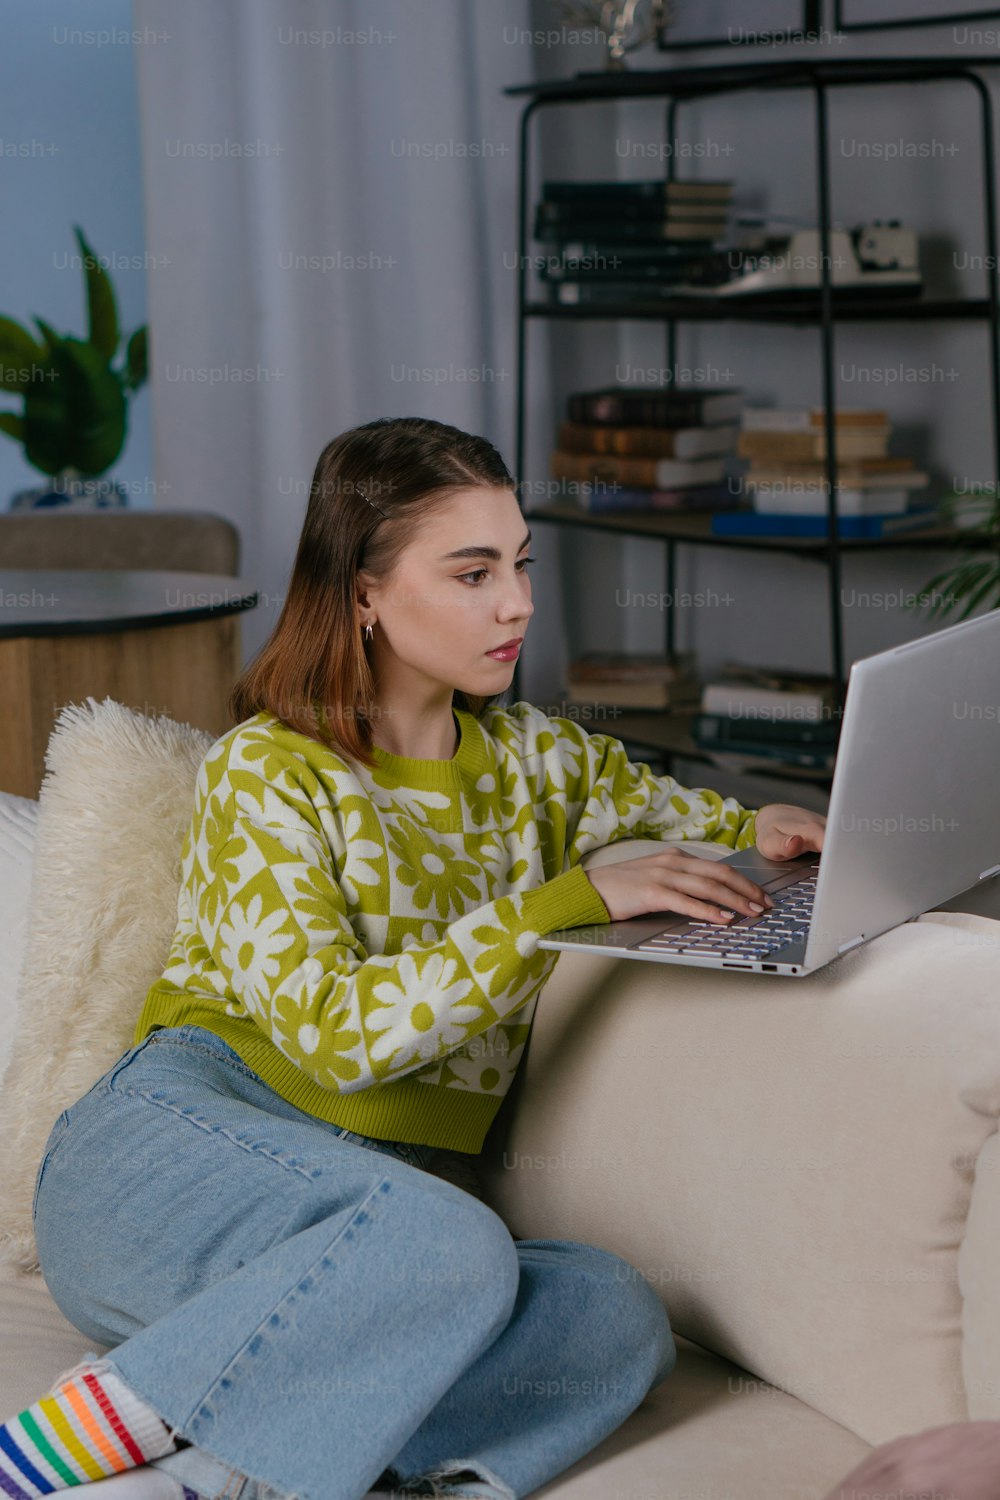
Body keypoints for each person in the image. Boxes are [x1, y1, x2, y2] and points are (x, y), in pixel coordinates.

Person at [11, 417, 825, 1500]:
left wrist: (774, 830)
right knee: (446, 1236)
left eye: (522, 565)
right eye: (473, 572)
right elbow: (340, 1038)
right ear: (363, 592)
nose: (518, 603)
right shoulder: (271, 771)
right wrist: (560, 905)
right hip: (170, 1167)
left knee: (613, 1310)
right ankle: (62, 1447)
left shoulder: (543, 763)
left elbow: (707, 824)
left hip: (371, 1258)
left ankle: (222, 1474)